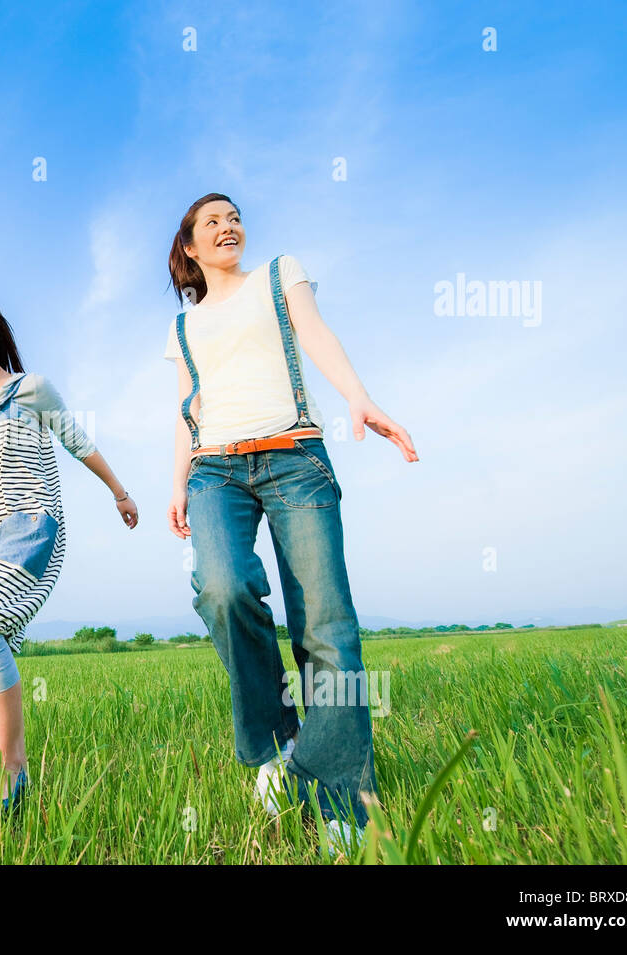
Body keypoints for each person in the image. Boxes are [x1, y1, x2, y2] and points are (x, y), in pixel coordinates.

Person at [163, 193, 418, 854]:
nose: (228, 226)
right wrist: (177, 482)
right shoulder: (182, 327)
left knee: (324, 622)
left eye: (234, 217)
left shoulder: (279, 274)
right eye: (211, 222)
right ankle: (278, 746)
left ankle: (338, 789)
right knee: (221, 588)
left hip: (294, 454)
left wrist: (359, 398)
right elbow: (187, 409)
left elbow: (317, 335)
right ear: (189, 246)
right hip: (214, 469)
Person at [0, 300, 138, 812]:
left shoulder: (32, 389)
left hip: (31, 523)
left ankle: (11, 768)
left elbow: (77, 441)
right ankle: (10, 766)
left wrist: (119, 492)